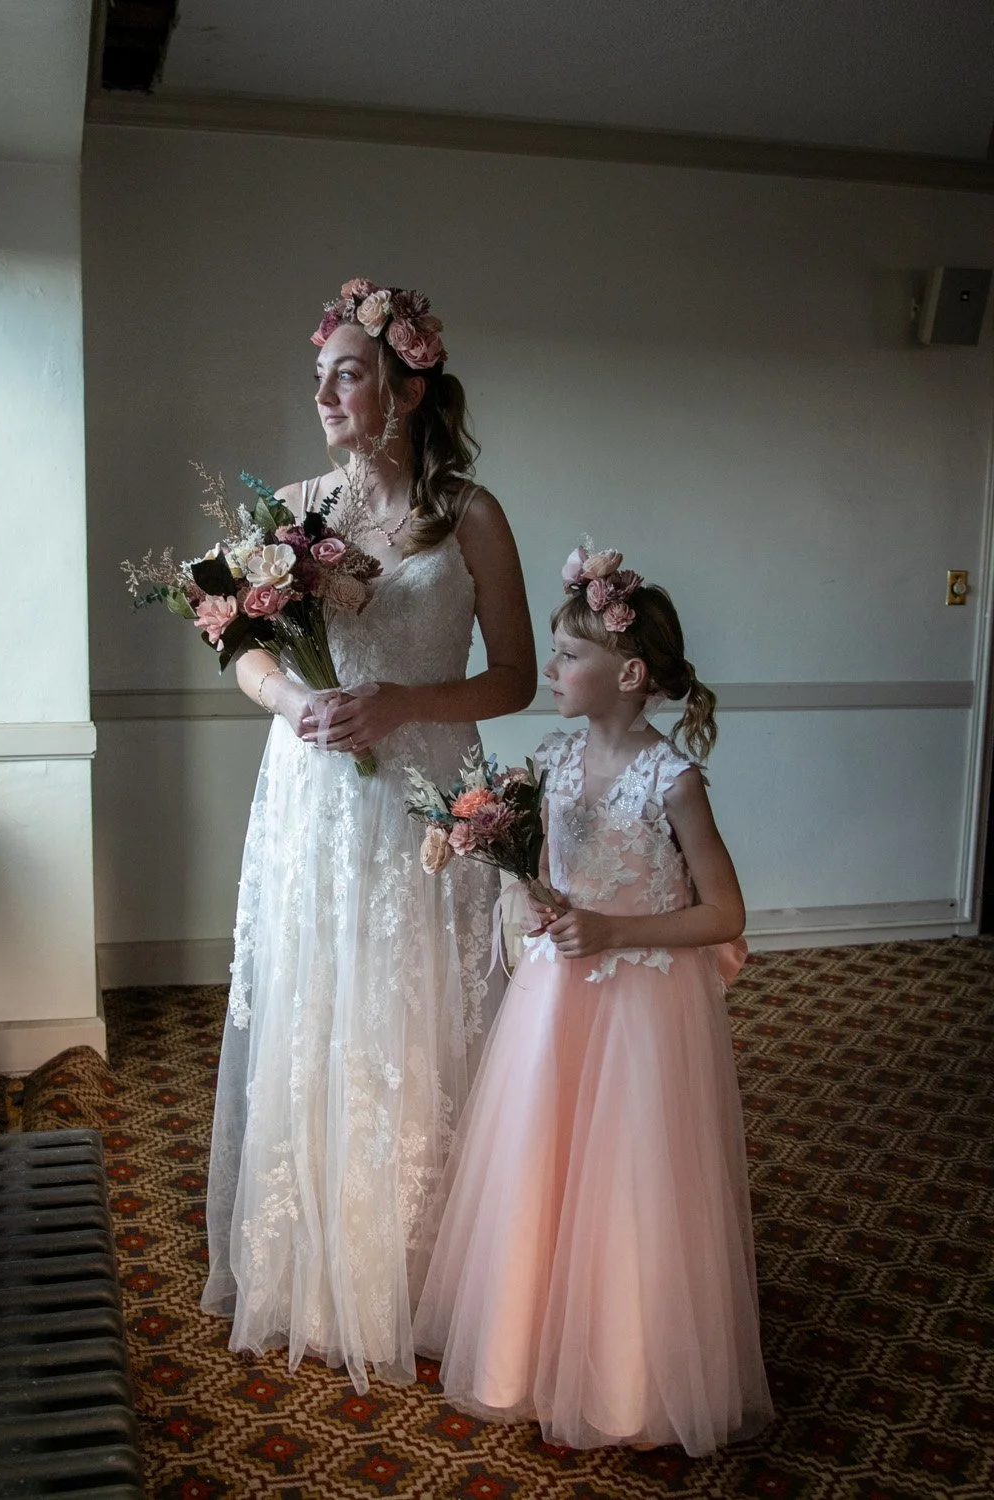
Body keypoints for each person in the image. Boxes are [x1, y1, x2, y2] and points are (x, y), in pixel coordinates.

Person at [201, 278, 536, 1394]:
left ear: (408, 381)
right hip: (315, 794)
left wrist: (403, 705)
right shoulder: (296, 510)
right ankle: (315, 1267)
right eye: (322, 375)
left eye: (348, 372)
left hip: (428, 795)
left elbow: (518, 675)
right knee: (319, 1001)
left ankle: (433, 1267)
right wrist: (291, 703)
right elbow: (232, 639)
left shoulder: (471, 515)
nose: (327, 393)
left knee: (421, 1003)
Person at [413, 546, 774, 1454]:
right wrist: (517, 878)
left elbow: (725, 912)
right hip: (554, 995)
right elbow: (543, 868)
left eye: (569, 656)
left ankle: (624, 1375)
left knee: (627, 1174)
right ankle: (519, 1349)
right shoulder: (551, 759)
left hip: (642, 1005)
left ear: (630, 673)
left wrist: (614, 932)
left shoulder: (673, 781)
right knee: (540, 1155)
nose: (552, 670)